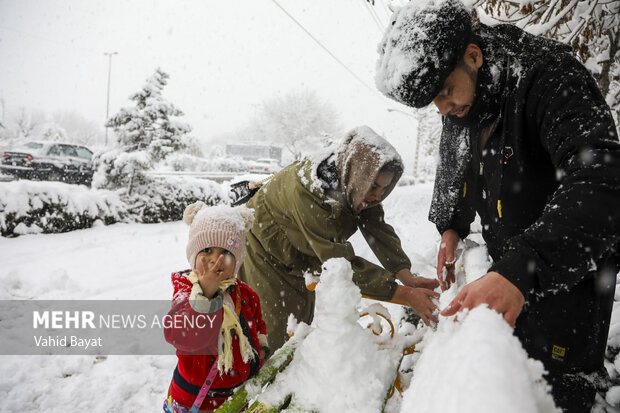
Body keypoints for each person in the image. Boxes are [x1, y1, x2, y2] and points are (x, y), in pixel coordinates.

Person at [376, 0, 619, 411]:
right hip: (513, 266)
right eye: (434, 103)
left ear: (473, 55)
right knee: (514, 373)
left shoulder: (550, 77)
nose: (444, 109)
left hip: (570, 275)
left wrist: (523, 267)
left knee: (558, 390)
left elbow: (603, 182)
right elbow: (455, 157)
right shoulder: (467, 93)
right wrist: (450, 227)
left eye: (445, 94)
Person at [238, 125, 440, 352]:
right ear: (360, 176)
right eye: (373, 187)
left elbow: (377, 228)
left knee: (299, 324)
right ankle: (255, 381)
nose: (378, 196)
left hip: (298, 253)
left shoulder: (353, 182)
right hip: (265, 252)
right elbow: (340, 263)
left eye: (384, 188)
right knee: (273, 331)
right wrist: (405, 294)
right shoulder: (311, 195)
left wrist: (405, 275)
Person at [163, 202, 268, 412]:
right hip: (195, 399)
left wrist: (261, 350)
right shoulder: (186, 292)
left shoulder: (245, 295)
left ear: (237, 260)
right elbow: (181, 336)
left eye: (226, 252)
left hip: (236, 395)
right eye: (207, 250)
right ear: (194, 254)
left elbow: (257, 325)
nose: (215, 260)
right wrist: (205, 296)